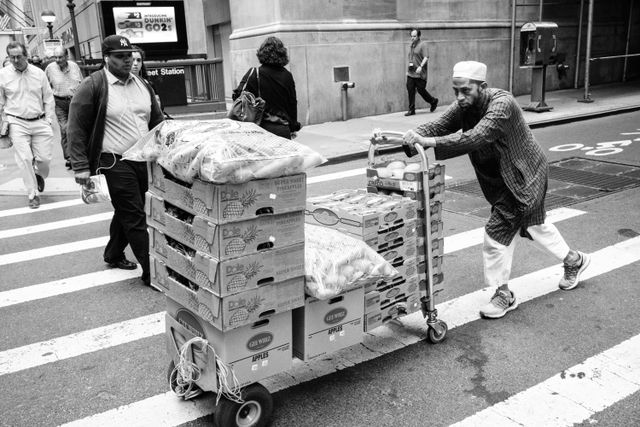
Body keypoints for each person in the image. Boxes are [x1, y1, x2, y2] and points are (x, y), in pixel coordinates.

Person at [401, 60, 590, 319]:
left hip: (525, 175)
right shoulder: (464, 105)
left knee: (496, 232)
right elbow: (438, 125)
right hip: (500, 179)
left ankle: (503, 294)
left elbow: (477, 137)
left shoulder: (502, 104)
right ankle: (574, 260)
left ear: (483, 87)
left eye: (465, 91)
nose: (459, 97)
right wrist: (413, 136)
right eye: (455, 90)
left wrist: (429, 141)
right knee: (534, 225)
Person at [67, 35, 163, 287]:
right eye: (120, 56)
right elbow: (75, 128)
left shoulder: (142, 84)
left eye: (129, 55)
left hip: (144, 159)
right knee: (135, 214)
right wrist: (80, 166)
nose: (127, 60)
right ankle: (151, 272)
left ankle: (113, 253)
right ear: (106, 58)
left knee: (129, 209)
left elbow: (156, 121)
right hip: (113, 161)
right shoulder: (93, 85)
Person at [0, 41, 55, 209]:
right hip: (16, 122)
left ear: (26, 56)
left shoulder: (39, 74)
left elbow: (48, 98)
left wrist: (49, 119)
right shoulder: (2, 74)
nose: (15, 60)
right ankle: (32, 194)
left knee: (44, 159)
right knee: (25, 159)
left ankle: (39, 175)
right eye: (12, 57)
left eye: (19, 56)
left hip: (40, 121)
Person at [232, 36, 301, 139]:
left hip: (260, 129)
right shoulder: (287, 75)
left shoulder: (254, 73)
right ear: (282, 54)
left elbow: (238, 96)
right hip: (282, 129)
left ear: (261, 53)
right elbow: (292, 103)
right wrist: (293, 127)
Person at [45, 46, 83, 169]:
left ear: (67, 56)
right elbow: (45, 87)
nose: (57, 59)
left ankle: (79, 155)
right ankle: (69, 158)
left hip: (75, 101)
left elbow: (81, 82)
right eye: (55, 57)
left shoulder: (74, 66)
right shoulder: (50, 69)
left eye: (60, 57)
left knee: (77, 129)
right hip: (59, 102)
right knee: (65, 129)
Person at [405, 29, 438, 116]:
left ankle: (433, 101)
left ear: (419, 36)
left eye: (414, 36)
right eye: (411, 36)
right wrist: (408, 69)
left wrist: (420, 66)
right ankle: (411, 109)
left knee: (421, 90)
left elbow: (426, 57)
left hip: (420, 73)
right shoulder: (411, 45)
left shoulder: (423, 45)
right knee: (410, 89)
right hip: (411, 72)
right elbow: (411, 57)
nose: (412, 38)